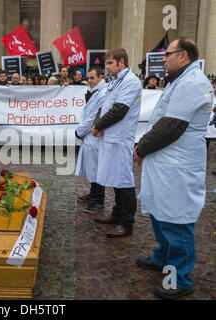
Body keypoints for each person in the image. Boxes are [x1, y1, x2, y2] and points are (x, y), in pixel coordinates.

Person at [134, 38, 214, 300]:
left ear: (184, 55)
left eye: (167, 54)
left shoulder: (193, 82)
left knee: (176, 220)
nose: (163, 59)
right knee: (160, 213)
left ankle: (180, 278)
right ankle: (163, 257)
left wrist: (141, 147)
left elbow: (171, 126)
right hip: (165, 164)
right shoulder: (180, 80)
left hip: (177, 166)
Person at [91, 48, 142, 238]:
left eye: (111, 63)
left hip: (120, 138)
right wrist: (98, 123)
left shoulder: (130, 81)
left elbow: (120, 109)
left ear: (122, 62)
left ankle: (126, 222)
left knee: (124, 180)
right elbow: (105, 106)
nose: (108, 67)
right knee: (114, 177)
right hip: (110, 136)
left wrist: (98, 126)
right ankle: (116, 214)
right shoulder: (114, 81)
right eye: (107, 63)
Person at [75, 67, 107, 213]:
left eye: (92, 78)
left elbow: (93, 117)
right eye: (88, 78)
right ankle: (94, 194)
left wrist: (79, 131)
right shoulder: (96, 92)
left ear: (101, 77)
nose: (89, 81)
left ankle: (99, 200)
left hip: (94, 135)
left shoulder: (103, 93)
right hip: (90, 135)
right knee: (92, 166)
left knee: (97, 168)